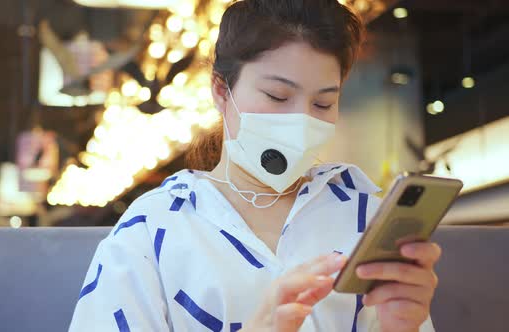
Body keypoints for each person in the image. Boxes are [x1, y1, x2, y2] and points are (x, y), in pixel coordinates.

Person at [68, 1, 439, 331]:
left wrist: (401, 326)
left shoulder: (365, 218)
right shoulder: (153, 227)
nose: (301, 119)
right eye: (278, 96)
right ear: (219, 90)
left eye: (323, 104)